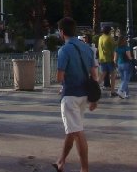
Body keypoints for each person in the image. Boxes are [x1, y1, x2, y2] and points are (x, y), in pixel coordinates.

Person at [54, 16, 98, 172]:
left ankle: (84, 168)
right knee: (73, 130)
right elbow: (94, 73)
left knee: (77, 132)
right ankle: (61, 161)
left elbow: (59, 77)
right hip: (84, 95)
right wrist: (94, 99)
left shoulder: (64, 50)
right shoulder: (87, 48)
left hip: (70, 95)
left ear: (61, 32)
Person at [97, 25, 117, 96]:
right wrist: (114, 60)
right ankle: (112, 91)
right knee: (113, 74)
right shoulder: (110, 38)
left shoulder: (100, 38)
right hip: (109, 59)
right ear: (109, 31)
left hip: (102, 59)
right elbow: (114, 50)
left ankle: (94, 88)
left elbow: (99, 49)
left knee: (103, 74)